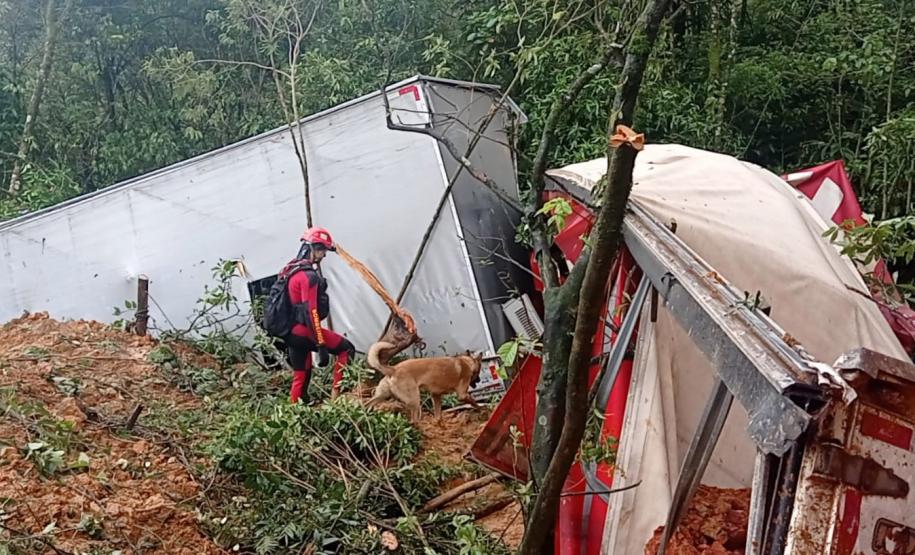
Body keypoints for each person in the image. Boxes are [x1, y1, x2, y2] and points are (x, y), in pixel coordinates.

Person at [281, 226, 355, 403]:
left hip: (289, 332)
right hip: (304, 330)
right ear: (315, 248)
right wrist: (320, 344)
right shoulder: (309, 277)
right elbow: (311, 312)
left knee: (301, 373)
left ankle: (296, 411)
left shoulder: (290, 269)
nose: (323, 256)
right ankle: (337, 398)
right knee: (347, 349)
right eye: (323, 251)